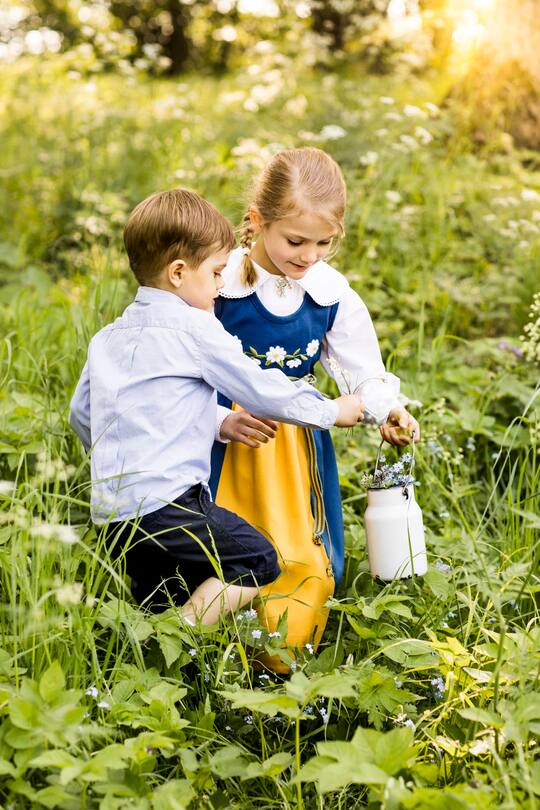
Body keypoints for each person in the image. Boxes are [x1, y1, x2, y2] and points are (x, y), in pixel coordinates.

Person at [69, 187, 364, 627]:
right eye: (216, 272)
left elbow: (82, 413)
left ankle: (154, 666)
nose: (222, 283)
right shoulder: (195, 328)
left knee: (163, 592)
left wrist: (205, 428)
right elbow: (262, 388)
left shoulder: (109, 337)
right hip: (170, 503)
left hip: (113, 513)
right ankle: (176, 637)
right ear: (179, 272)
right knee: (256, 560)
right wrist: (331, 411)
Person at [210, 147, 420, 669]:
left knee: (303, 555)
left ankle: (278, 663)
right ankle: (211, 655)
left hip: (295, 442)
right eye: (295, 241)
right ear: (257, 221)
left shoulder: (328, 292)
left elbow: (359, 367)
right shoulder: (220, 281)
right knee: (222, 545)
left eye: (324, 243)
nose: (309, 255)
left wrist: (384, 408)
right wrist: (214, 419)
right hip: (226, 436)